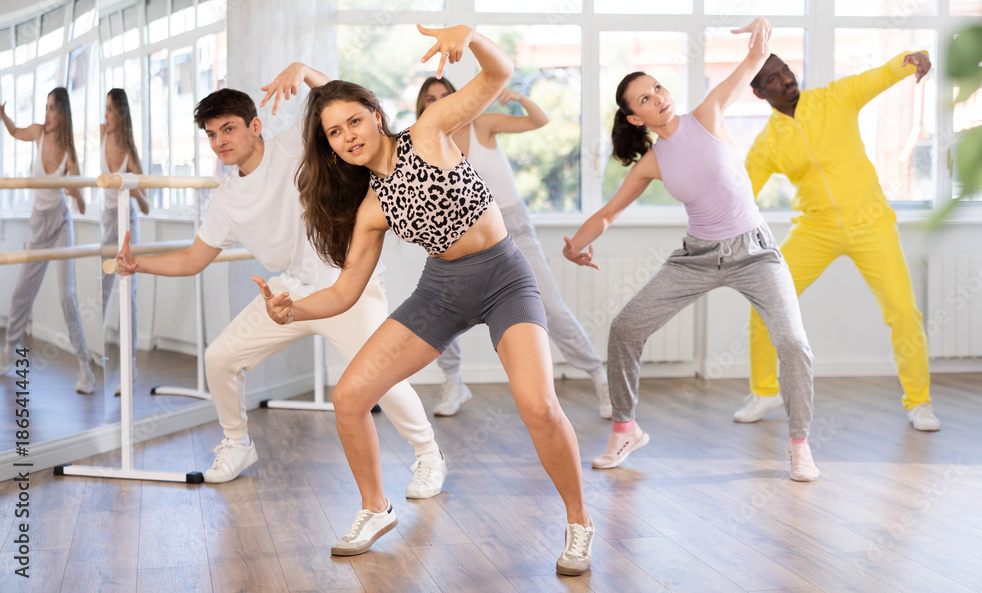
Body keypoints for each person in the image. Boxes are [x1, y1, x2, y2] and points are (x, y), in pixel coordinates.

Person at [257, 24, 594, 575]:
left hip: (504, 276)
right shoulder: (372, 208)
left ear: (377, 116)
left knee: (539, 407)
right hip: (441, 291)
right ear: (331, 147)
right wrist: (291, 308)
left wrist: (473, 35)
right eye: (335, 133)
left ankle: (578, 521)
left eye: (354, 121)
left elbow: (499, 72)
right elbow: (345, 292)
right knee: (348, 398)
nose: (348, 136)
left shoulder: (431, 129)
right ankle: (375, 507)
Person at [114, 86, 447, 497]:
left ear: (255, 126)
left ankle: (429, 455)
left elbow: (343, 104)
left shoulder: (292, 146)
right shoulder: (226, 200)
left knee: (380, 378)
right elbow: (192, 259)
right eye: (212, 134)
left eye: (229, 129)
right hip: (291, 292)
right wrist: (138, 265)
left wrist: (306, 74)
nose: (221, 142)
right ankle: (237, 445)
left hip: (348, 286)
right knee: (219, 357)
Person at [563, 19, 819, 482]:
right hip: (697, 257)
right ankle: (625, 428)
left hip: (755, 252)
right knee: (625, 329)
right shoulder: (651, 163)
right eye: (644, 98)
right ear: (636, 118)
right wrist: (574, 246)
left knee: (793, 343)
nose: (657, 96)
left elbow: (754, 61)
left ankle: (799, 444)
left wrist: (761, 27)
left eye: (657, 87)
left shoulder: (709, 113)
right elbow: (607, 213)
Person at [741, 50, 940, 432]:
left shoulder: (836, 97)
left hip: (871, 224)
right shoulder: (768, 143)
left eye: (785, 69)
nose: (786, 78)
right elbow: (740, 192)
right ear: (758, 92)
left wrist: (912, 60)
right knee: (765, 297)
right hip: (815, 230)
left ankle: (920, 403)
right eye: (773, 78)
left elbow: (879, 74)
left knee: (902, 311)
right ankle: (764, 390)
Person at [415, 77, 611, 418]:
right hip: (463, 236)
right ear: (422, 107)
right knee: (438, 308)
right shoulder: (422, 144)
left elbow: (539, 121)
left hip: (513, 228)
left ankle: (601, 378)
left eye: (445, 95)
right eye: (430, 99)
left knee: (549, 307)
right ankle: (453, 382)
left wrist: (518, 96)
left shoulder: (483, 124)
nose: (439, 103)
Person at [0, 88, 96, 394]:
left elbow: (81, 205)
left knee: (67, 296)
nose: (46, 114)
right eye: (45, 107)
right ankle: (7, 354)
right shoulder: (39, 133)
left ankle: (85, 369)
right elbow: (15, 131)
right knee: (19, 295)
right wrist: (2, 114)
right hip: (37, 228)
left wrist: (76, 192)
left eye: (52, 108)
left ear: (63, 113)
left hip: (60, 226)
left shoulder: (68, 151)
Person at [101, 88, 149, 390]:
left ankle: (128, 367)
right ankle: (99, 360)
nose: (105, 116)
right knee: (103, 289)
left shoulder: (130, 152)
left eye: (109, 110)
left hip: (127, 226)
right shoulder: (102, 135)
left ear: (120, 113)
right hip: (106, 222)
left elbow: (147, 205)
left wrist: (133, 190)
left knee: (127, 296)